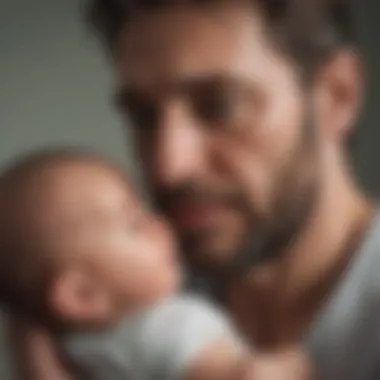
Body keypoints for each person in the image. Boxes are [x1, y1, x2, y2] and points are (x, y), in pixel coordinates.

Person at [8, 0, 380, 379]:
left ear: (338, 94)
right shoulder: (121, 302)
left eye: (221, 106)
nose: (167, 167)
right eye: (144, 117)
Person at [0, 150, 309, 380]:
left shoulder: (72, 351)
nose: (160, 224)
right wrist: (290, 365)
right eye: (135, 224)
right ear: (82, 294)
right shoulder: (168, 326)